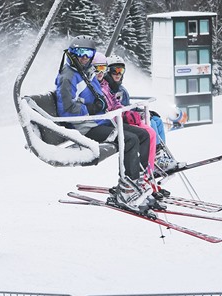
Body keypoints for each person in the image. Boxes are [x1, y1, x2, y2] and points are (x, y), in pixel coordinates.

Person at [55, 36, 157, 213]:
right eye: (79, 53)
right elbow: (66, 108)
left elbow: (101, 96)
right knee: (130, 139)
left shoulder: (86, 72)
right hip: (85, 127)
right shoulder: (68, 77)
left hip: (99, 121)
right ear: (71, 54)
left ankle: (139, 181)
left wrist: (103, 105)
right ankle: (127, 189)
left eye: (88, 54)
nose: (83, 57)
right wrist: (89, 108)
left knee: (143, 135)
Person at [104, 55, 183, 174]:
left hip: (127, 116)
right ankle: (154, 160)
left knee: (157, 120)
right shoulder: (108, 89)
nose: (118, 73)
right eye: (114, 70)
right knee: (149, 123)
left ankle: (160, 156)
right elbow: (117, 109)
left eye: (121, 70)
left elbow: (127, 105)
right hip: (119, 120)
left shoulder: (122, 89)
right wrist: (140, 114)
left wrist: (142, 111)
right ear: (108, 71)